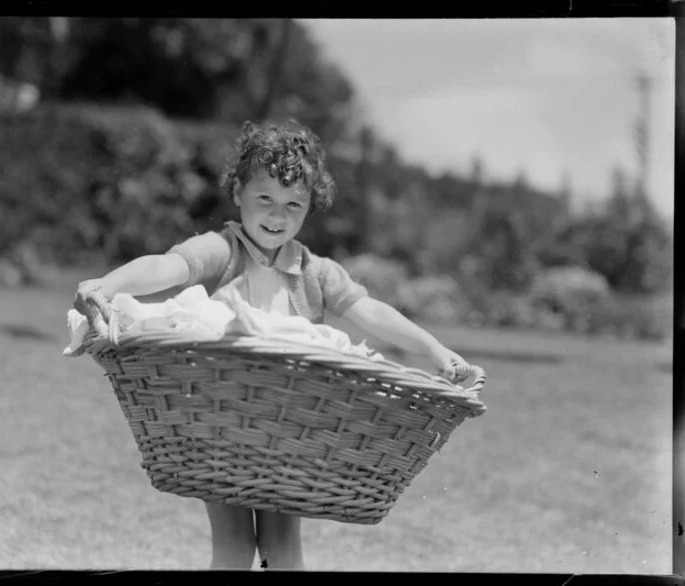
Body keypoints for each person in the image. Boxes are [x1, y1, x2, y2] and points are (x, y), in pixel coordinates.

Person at [74, 120, 470, 571]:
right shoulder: (222, 250)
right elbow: (167, 269)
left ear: (309, 208)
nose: (277, 216)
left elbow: (370, 312)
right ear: (239, 190)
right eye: (265, 199)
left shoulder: (315, 272)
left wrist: (435, 349)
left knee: (283, 550)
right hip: (220, 422)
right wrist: (108, 286)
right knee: (235, 545)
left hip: (288, 430)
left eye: (293, 205)